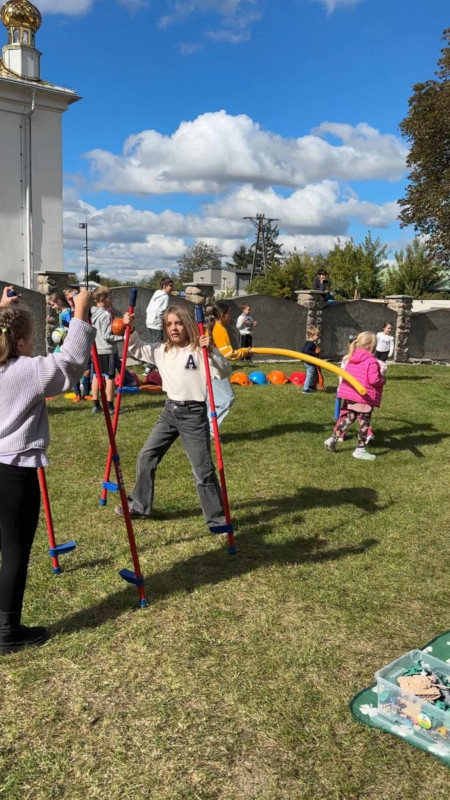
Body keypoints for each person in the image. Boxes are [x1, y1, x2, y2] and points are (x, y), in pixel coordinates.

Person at [0, 286, 95, 655]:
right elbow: (70, 363)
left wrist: (3, 309)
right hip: (13, 472)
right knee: (14, 552)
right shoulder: (26, 370)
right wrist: (81, 311)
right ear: (22, 342)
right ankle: (6, 631)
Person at [115, 305, 231, 532]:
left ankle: (217, 519)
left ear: (187, 324)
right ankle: (139, 504)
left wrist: (212, 351)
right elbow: (136, 348)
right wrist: (132, 328)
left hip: (193, 414)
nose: (174, 328)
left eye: (178, 323)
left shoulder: (199, 350)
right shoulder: (162, 350)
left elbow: (224, 371)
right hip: (170, 411)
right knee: (146, 456)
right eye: (169, 324)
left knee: (203, 470)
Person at [324, 331, 386, 461]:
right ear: (370, 346)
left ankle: (333, 439)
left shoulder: (352, 357)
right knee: (364, 423)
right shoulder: (371, 361)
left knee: (350, 417)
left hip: (352, 395)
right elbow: (374, 379)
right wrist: (382, 380)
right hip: (364, 396)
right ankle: (360, 450)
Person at [209, 302, 250, 434]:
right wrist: (244, 352)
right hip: (217, 369)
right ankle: (210, 428)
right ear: (222, 315)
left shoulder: (212, 327)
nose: (231, 316)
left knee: (210, 400)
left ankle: (204, 427)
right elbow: (228, 354)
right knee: (227, 398)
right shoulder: (220, 329)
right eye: (229, 314)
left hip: (209, 367)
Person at [90, 286, 124, 415]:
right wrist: (122, 337)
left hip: (96, 349)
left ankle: (96, 405)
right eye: (110, 297)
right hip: (107, 349)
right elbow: (107, 336)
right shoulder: (105, 315)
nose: (112, 300)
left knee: (96, 376)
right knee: (110, 378)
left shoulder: (92, 312)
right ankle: (110, 407)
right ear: (102, 298)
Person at [144, 277, 174, 373]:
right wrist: (165, 322)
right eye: (170, 286)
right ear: (165, 286)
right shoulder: (165, 297)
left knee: (155, 344)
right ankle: (150, 367)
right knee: (157, 346)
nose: (172, 288)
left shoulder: (156, 294)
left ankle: (154, 366)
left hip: (150, 322)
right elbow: (160, 311)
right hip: (156, 324)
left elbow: (149, 309)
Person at [301, 325, 320, 394]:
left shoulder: (307, 342)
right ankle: (305, 389)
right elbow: (306, 351)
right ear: (312, 335)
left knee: (313, 374)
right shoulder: (310, 344)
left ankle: (311, 386)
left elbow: (302, 351)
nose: (318, 337)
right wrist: (315, 353)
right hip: (310, 363)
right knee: (310, 375)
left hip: (307, 362)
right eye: (317, 335)